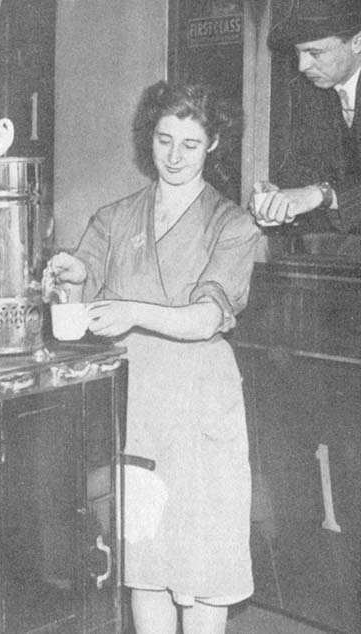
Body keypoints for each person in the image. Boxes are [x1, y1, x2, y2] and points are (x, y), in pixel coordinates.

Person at [46, 81, 261, 634]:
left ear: (213, 144)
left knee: (204, 562)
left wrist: (131, 310)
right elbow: (80, 286)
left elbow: (206, 319)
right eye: (165, 140)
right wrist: (67, 276)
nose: (174, 156)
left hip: (200, 405)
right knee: (144, 560)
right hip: (134, 404)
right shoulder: (115, 218)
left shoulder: (232, 226)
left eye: (190, 144)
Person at [252, 0, 361, 232]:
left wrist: (319, 195)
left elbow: (321, 192)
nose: (302, 66)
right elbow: (308, 172)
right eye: (298, 53)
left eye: (315, 53)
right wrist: (280, 196)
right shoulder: (312, 95)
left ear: (357, 42)